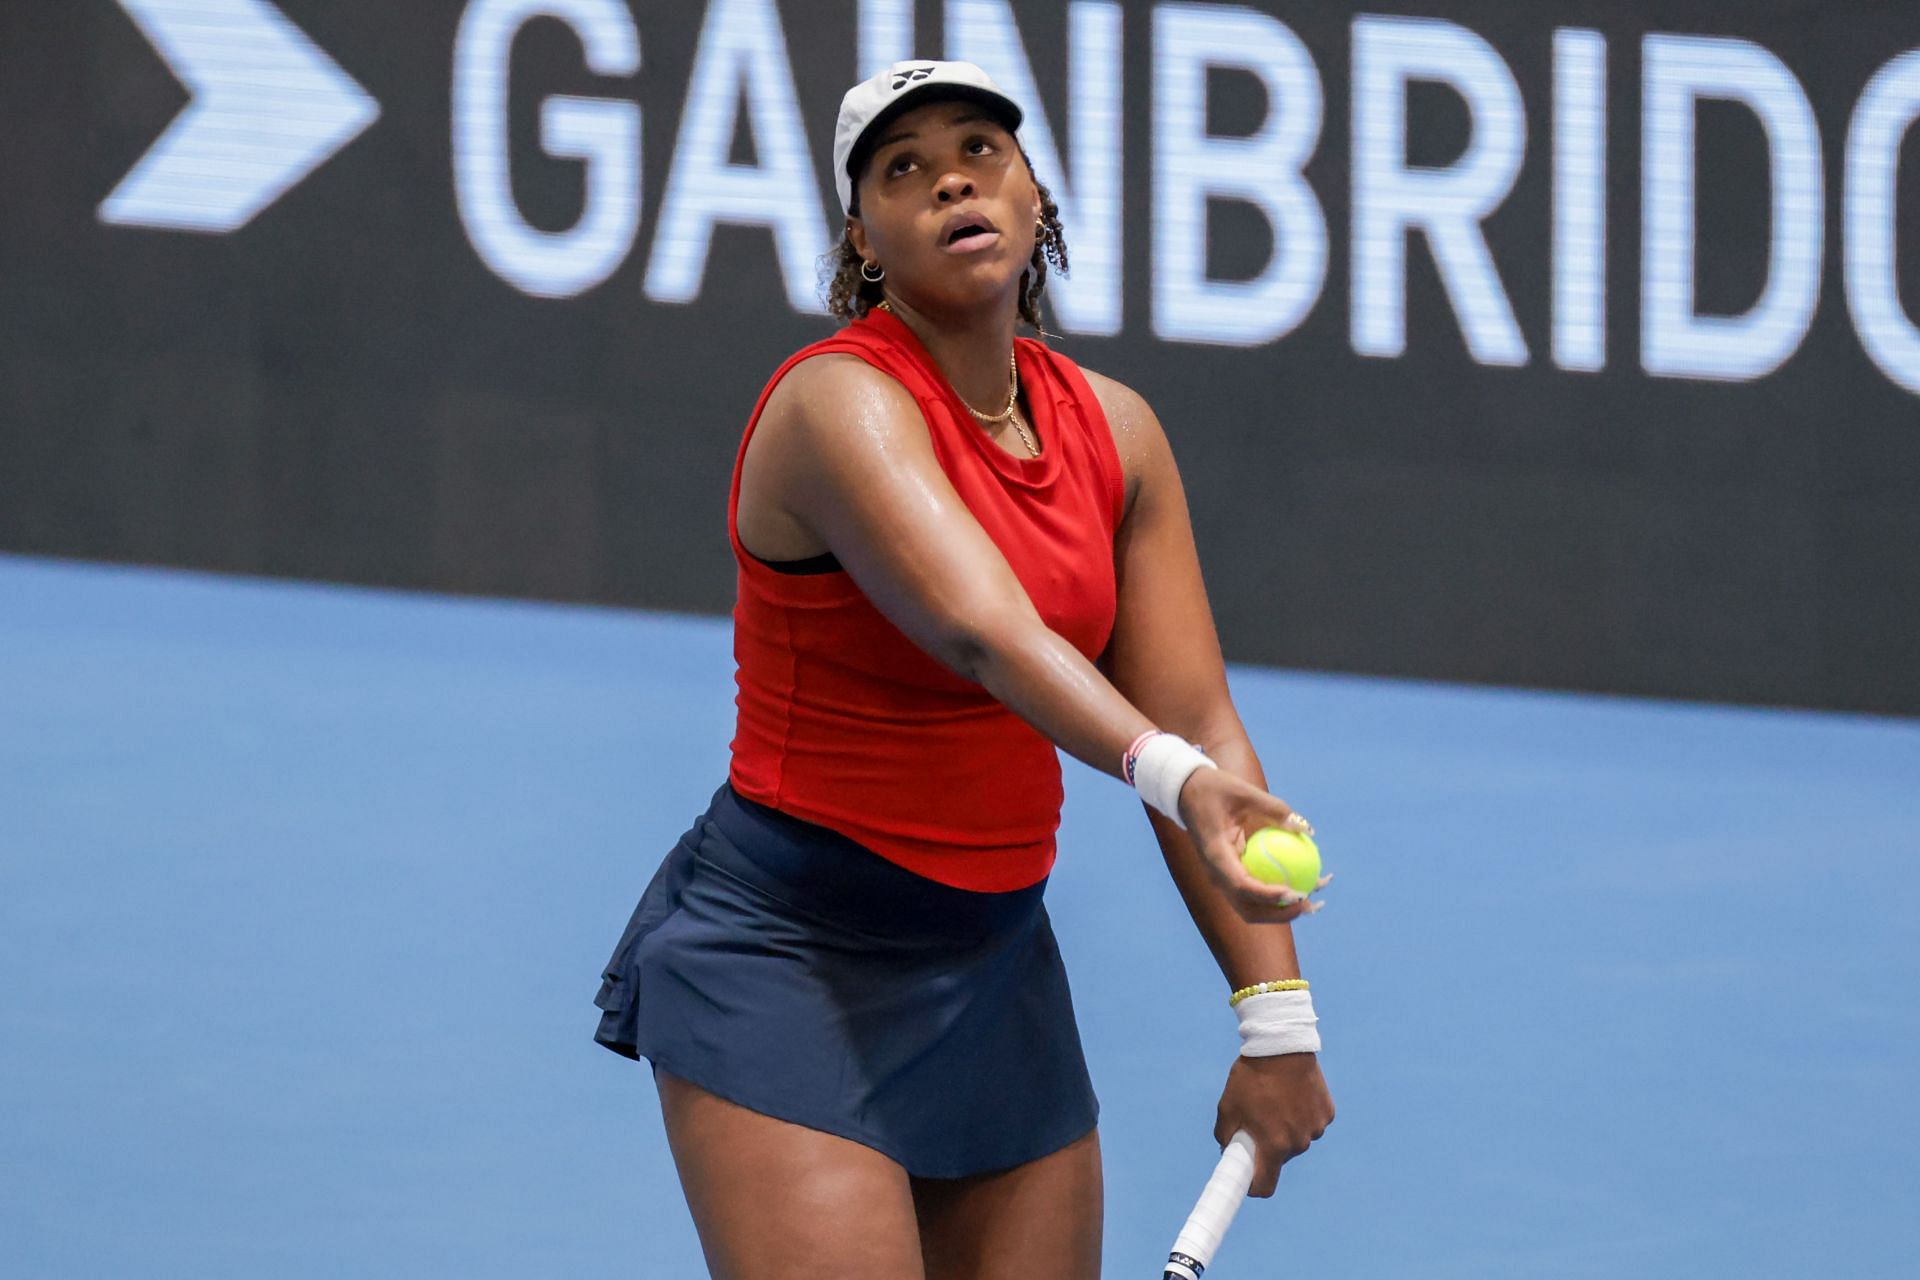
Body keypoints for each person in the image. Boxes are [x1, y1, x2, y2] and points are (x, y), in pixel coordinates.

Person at [593, 60, 1334, 1280]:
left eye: (980, 149)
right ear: (863, 240)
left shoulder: (1118, 431)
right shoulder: (838, 406)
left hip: (993, 972)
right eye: (902, 167)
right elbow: (986, 631)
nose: (949, 177)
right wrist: (1179, 779)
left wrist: (1278, 1019)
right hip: (788, 956)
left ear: (1035, 191)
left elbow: (1197, 708)